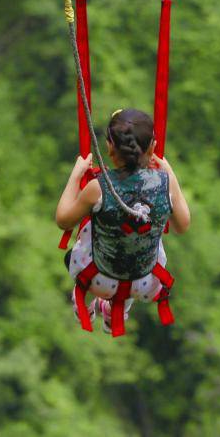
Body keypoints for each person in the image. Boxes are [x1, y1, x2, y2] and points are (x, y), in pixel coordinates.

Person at [54, 108, 191, 334]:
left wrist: (76, 174)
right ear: (153, 148)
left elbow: (63, 220)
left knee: (90, 227)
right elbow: (181, 225)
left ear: (109, 148)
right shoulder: (165, 183)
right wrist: (170, 172)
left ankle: (88, 303)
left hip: (97, 280)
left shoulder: (98, 187)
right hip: (146, 283)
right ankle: (118, 309)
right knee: (144, 238)